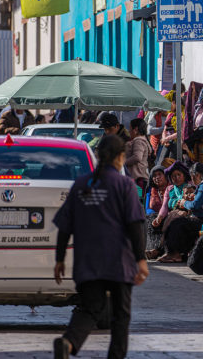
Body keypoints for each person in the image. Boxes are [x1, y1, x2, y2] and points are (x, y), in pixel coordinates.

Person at [52, 135, 148, 359]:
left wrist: (59, 260)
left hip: (88, 260)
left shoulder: (81, 184)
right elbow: (135, 225)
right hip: (119, 261)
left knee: (90, 308)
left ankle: (68, 343)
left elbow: (65, 227)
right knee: (121, 315)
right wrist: (140, 259)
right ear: (121, 157)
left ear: (97, 156)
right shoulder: (125, 184)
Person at [157, 161, 195, 263]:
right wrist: (159, 217)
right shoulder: (170, 189)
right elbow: (165, 206)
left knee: (173, 220)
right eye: (173, 176)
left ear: (184, 175)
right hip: (173, 212)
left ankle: (168, 251)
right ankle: (165, 250)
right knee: (167, 219)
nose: (176, 178)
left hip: (187, 212)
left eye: (179, 175)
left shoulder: (190, 186)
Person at [144, 165, 168, 260]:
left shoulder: (171, 188)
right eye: (154, 176)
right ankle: (152, 248)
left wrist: (160, 216)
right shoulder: (151, 190)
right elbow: (148, 208)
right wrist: (155, 216)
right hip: (154, 216)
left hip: (167, 215)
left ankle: (159, 250)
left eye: (159, 174)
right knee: (149, 220)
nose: (157, 177)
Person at [125, 118, 152, 191]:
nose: (129, 131)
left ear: (136, 129)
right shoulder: (142, 140)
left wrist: (123, 163)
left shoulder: (138, 141)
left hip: (137, 179)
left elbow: (137, 157)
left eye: (130, 128)